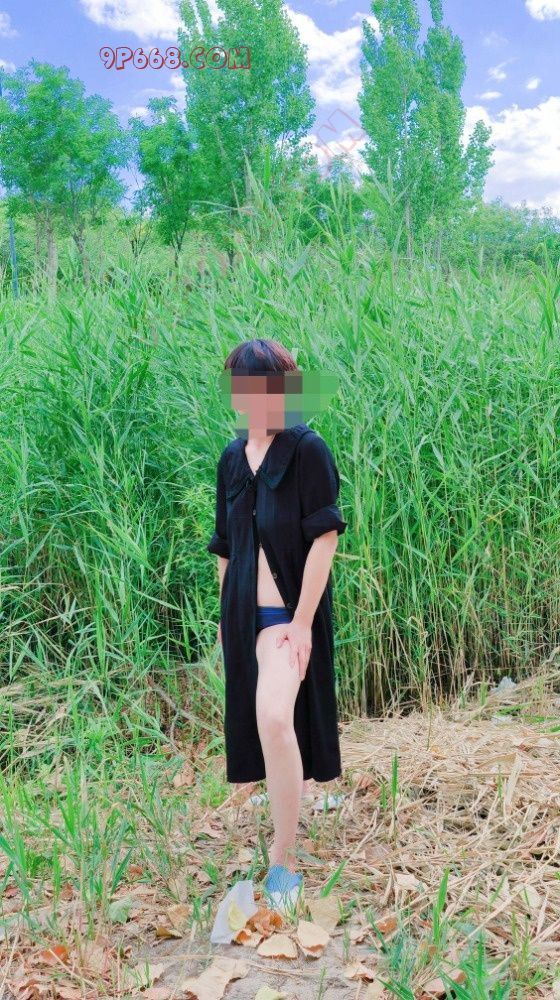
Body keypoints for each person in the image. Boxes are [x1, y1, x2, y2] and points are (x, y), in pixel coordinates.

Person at [207, 339, 348, 908]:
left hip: (288, 617)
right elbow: (225, 546)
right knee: (267, 723)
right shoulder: (231, 459)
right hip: (245, 616)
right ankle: (289, 793)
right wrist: (224, 618)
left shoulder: (307, 450)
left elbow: (325, 537)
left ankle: (284, 863)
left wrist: (304, 622)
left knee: (273, 715)